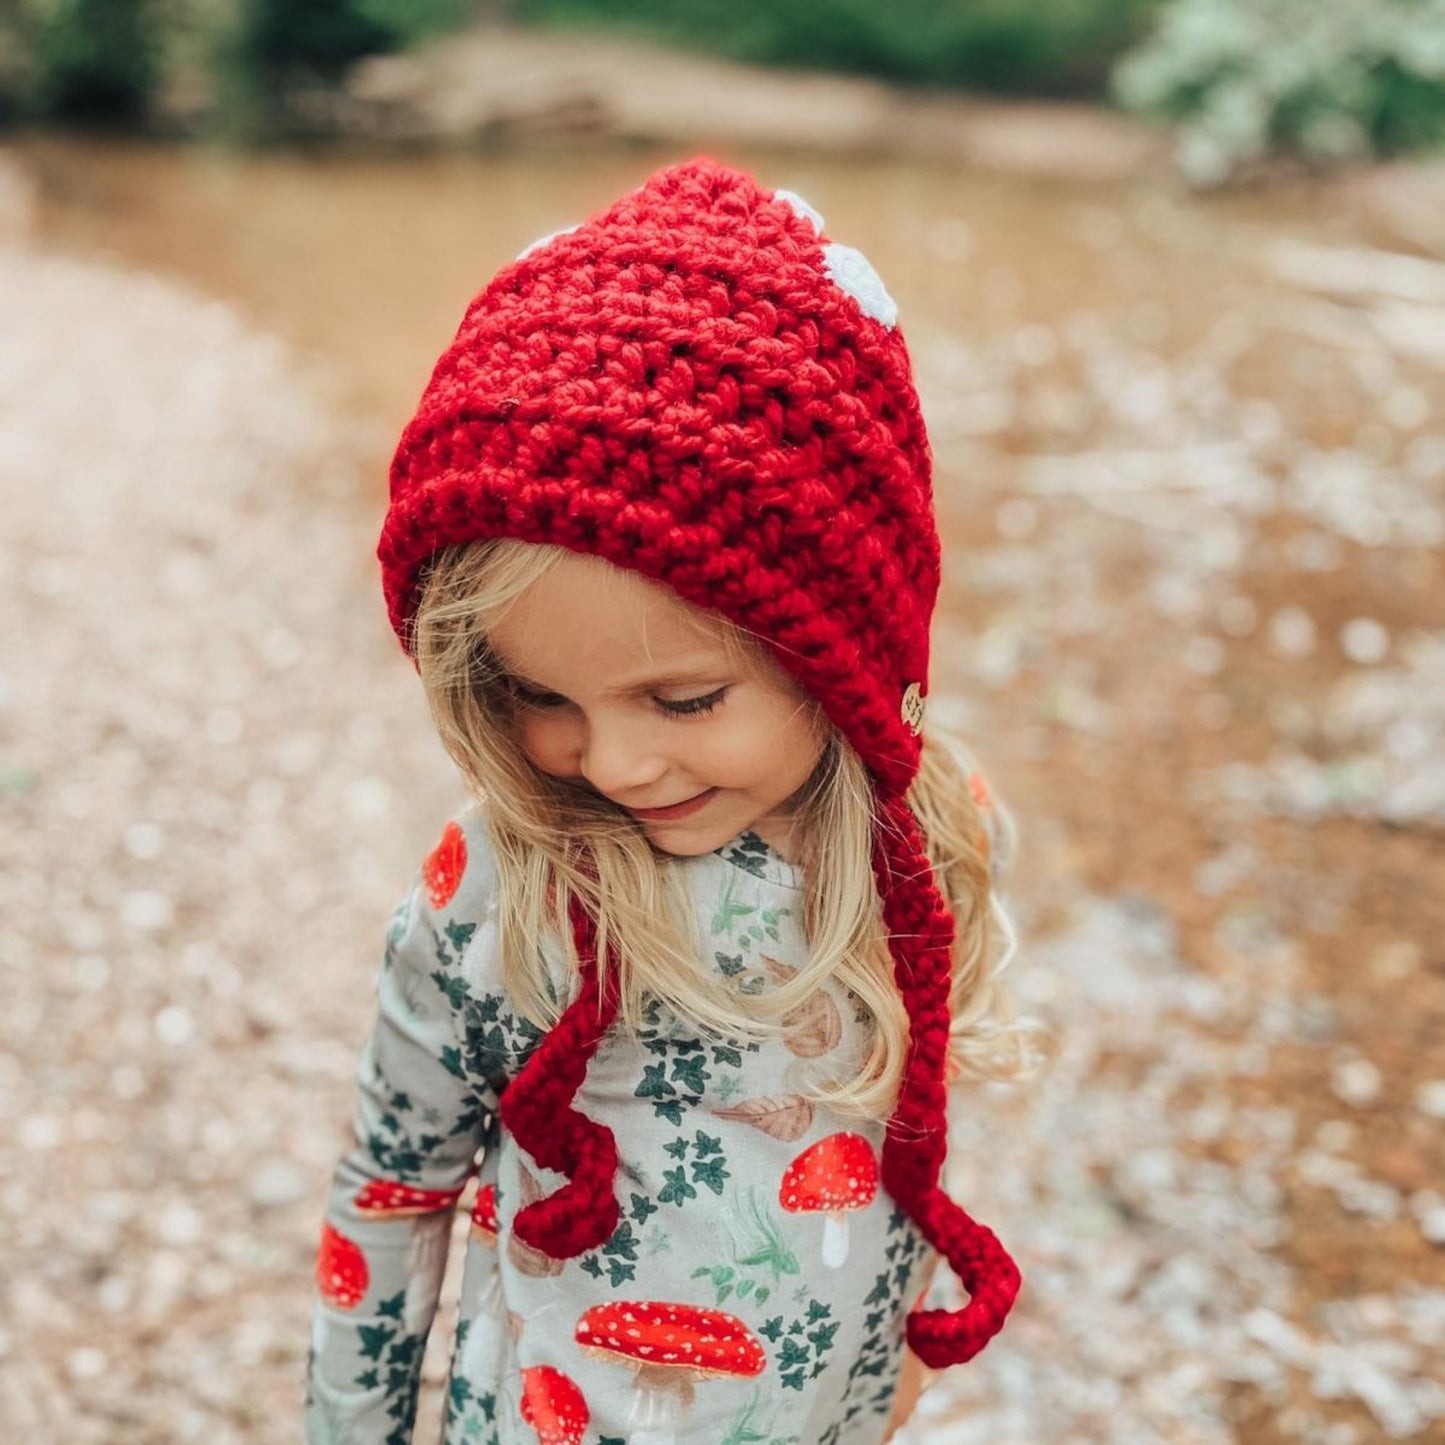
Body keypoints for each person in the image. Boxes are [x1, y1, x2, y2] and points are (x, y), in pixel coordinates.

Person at [304, 156, 1049, 1445]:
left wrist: (891, 1357)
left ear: (846, 655)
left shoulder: (925, 840)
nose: (612, 767)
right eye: (542, 697)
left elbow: (919, 1103)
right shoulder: (511, 884)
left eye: (683, 702)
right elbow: (391, 1186)